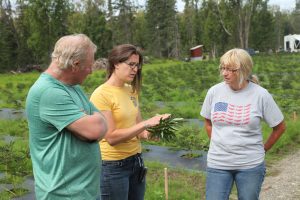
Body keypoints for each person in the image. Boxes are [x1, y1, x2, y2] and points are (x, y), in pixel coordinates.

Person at [25, 34, 107, 199]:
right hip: (64, 194)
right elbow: (95, 130)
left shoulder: (72, 88)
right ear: (75, 65)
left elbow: (102, 121)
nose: (91, 71)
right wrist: (93, 122)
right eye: (89, 66)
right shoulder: (49, 92)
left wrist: (93, 121)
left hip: (84, 192)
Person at [200, 48, 286, 200]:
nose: (225, 73)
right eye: (223, 68)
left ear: (243, 70)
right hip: (218, 163)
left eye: (230, 69)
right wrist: (219, 143)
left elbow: (279, 127)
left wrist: (262, 149)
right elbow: (208, 122)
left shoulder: (261, 95)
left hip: (250, 165)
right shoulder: (215, 92)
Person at [90, 44, 169, 200]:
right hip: (113, 166)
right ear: (115, 64)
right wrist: (146, 123)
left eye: (137, 65)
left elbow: (139, 130)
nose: (135, 69)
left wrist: (152, 132)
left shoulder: (131, 90)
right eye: (131, 64)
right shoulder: (101, 95)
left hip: (136, 162)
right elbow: (111, 137)